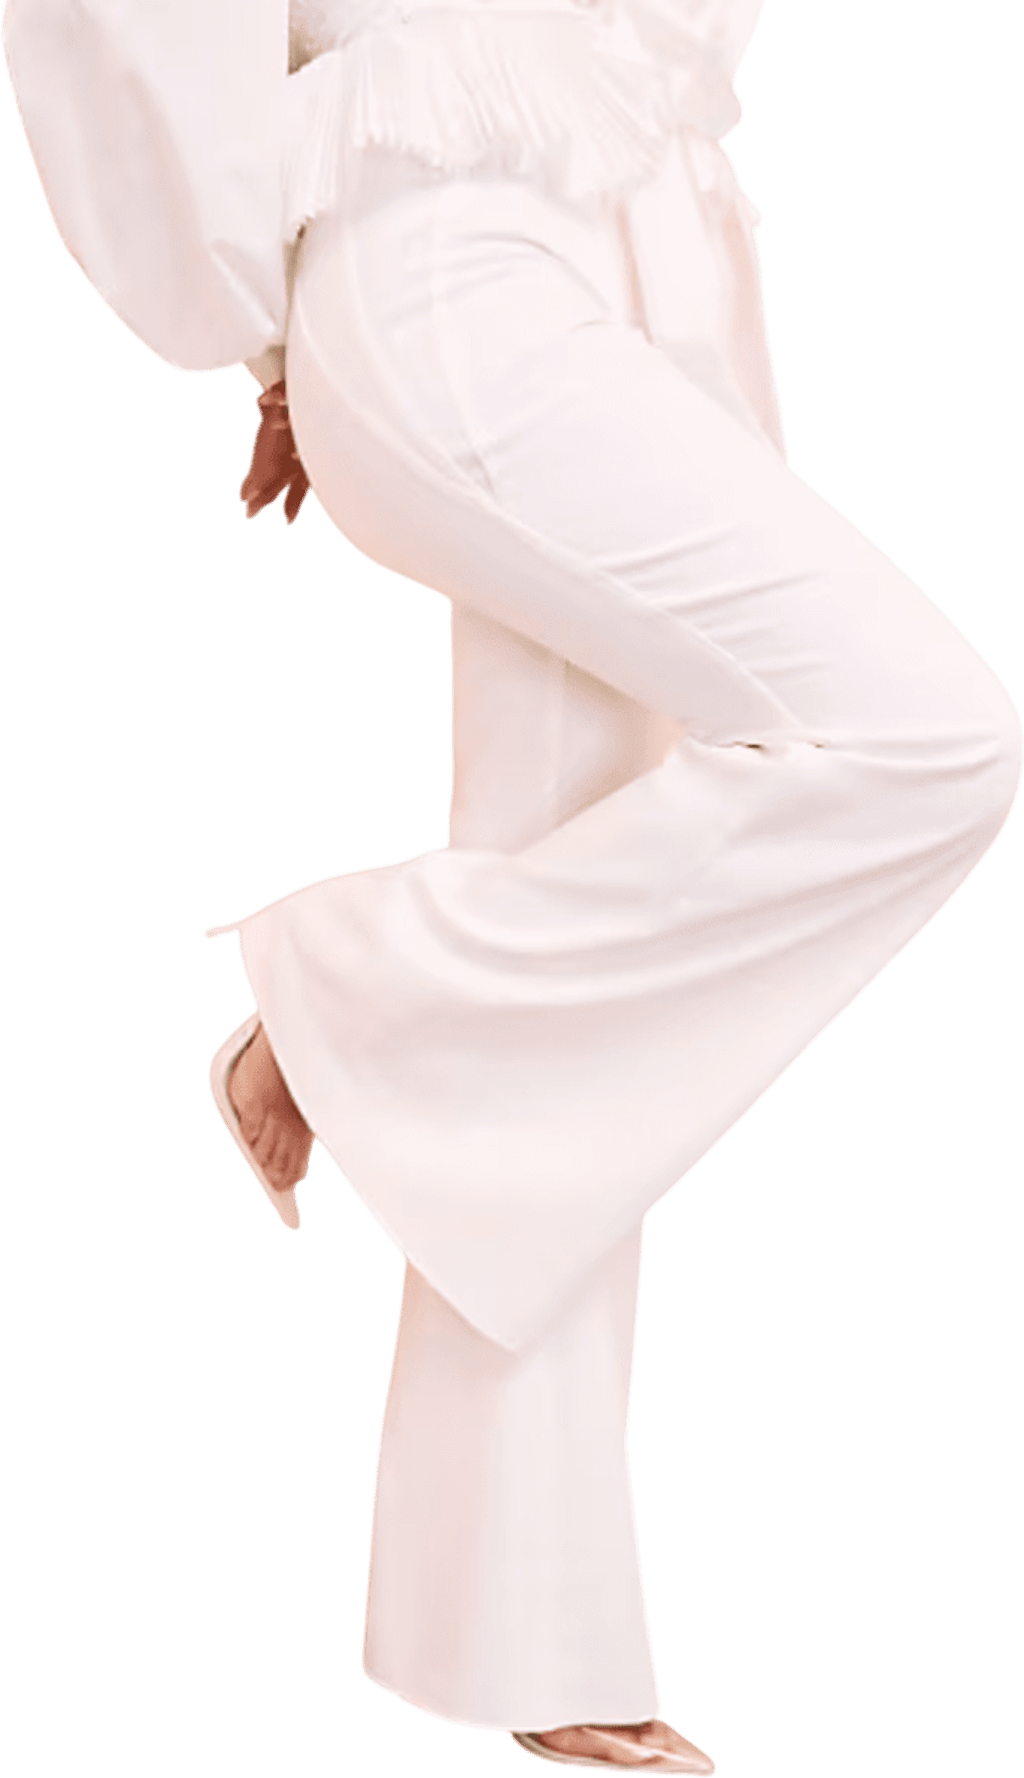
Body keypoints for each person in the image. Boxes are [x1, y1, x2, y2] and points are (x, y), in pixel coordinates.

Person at [4, 3, 1020, 1772]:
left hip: (661, 239)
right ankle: (346, 995)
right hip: (448, 247)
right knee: (931, 737)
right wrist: (260, 324)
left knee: (591, 945)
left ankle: (515, 1621)